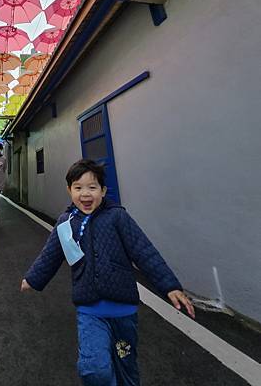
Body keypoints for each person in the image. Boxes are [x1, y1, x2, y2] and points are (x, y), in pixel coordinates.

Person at [20, 159, 194, 386]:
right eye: (78, 187)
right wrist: (32, 279)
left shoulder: (117, 217)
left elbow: (143, 250)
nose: (85, 194)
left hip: (123, 310)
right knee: (93, 369)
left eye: (92, 187)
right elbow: (50, 255)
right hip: (89, 310)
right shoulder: (65, 223)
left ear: (103, 190)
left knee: (126, 367)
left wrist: (169, 286)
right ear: (69, 190)